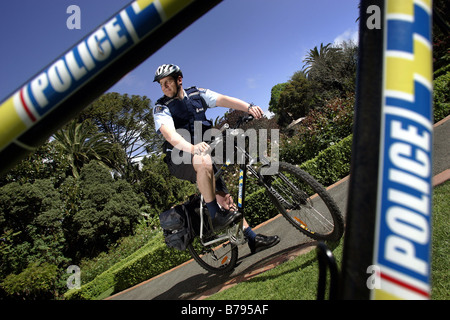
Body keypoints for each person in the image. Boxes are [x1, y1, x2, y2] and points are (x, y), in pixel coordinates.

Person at [152, 64, 280, 254]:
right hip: (179, 158)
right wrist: (192, 148)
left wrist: (248, 107)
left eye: (167, 82)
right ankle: (214, 214)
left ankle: (252, 239)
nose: (164, 87)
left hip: (203, 150)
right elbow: (170, 135)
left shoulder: (196, 94)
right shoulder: (161, 107)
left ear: (179, 80)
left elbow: (222, 99)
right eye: (161, 84)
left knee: (226, 197)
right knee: (202, 160)